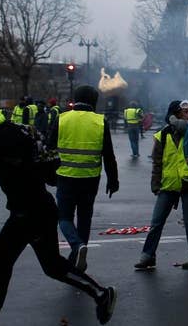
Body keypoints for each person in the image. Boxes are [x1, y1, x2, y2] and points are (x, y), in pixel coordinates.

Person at [0, 105, 116, 326]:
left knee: (8, 266)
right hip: (33, 211)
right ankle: (101, 294)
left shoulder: (6, 135)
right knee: (43, 266)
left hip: (31, 213)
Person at [47, 84, 119, 272]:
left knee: (64, 216)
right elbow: (108, 155)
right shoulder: (100, 121)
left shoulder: (62, 119)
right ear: (94, 101)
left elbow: (49, 148)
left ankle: (77, 247)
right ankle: (78, 259)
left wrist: (49, 174)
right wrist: (113, 180)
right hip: (90, 178)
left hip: (65, 177)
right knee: (85, 217)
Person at [134, 100, 188, 271]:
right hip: (168, 185)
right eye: (185, 112)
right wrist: (155, 184)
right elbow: (157, 162)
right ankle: (148, 256)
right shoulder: (163, 134)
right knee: (156, 222)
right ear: (175, 114)